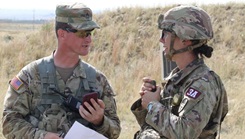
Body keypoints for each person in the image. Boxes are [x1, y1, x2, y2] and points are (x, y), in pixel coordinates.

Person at [2, 2, 121, 139]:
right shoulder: (30, 76)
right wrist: (41, 136)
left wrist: (100, 121)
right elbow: (9, 122)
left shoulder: (97, 80)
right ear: (62, 34)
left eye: (90, 33)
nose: (89, 39)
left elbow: (115, 131)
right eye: (82, 33)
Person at [131, 5, 228, 139]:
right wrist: (147, 104)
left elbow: (185, 133)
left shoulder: (202, 83)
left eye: (165, 33)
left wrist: (153, 106)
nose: (161, 40)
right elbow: (161, 129)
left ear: (185, 39)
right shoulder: (179, 78)